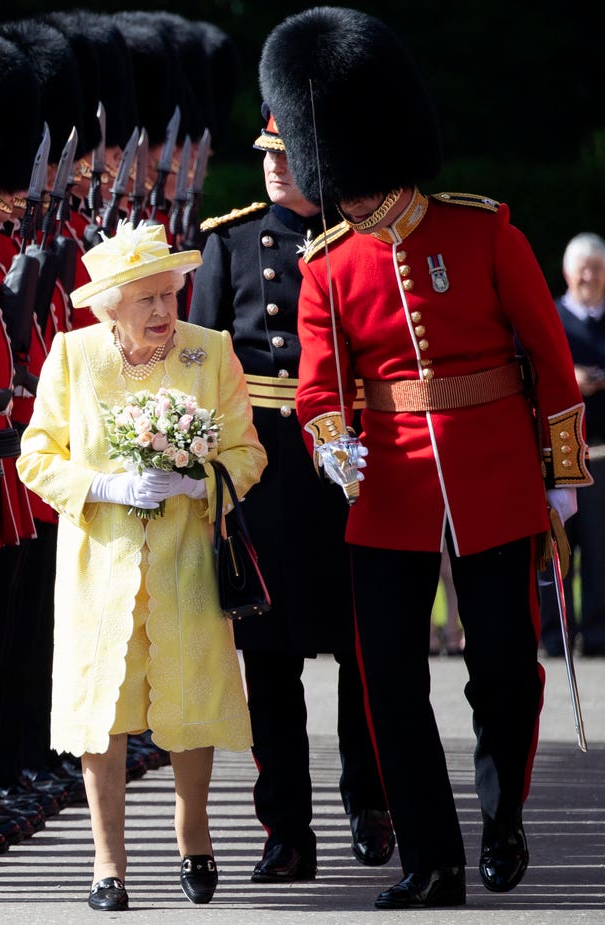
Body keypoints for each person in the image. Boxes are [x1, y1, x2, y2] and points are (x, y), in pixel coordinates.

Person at [259, 6, 592, 910]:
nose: (350, 199)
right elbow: (321, 388)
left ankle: (504, 817)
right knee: (389, 677)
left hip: (491, 477)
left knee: (503, 671)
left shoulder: (485, 233)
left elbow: (551, 364)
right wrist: (332, 446)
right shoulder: (328, 266)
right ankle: (432, 854)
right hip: (392, 488)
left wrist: (562, 477)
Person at [17, 219, 267, 910]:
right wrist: (102, 484)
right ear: (111, 306)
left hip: (186, 558)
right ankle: (108, 861)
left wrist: (201, 481)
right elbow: (35, 456)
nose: (164, 310)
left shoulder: (209, 352)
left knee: (190, 699)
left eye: (170, 294)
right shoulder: (72, 356)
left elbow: (249, 453)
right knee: (106, 711)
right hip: (102, 564)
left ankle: (194, 835)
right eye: (147, 299)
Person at [188, 109, 394, 882]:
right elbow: (201, 365)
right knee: (269, 661)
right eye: (266, 152)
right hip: (264, 467)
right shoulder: (231, 240)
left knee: (362, 649)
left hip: (344, 462)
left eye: (288, 152)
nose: (274, 165)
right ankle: (286, 827)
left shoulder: (365, 238)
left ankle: (370, 801)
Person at [539, 232, 605, 657]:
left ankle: (598, 634)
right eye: (581, 267)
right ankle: (553, 634)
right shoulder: (550, 318)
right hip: (558, 451)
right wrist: (570, 378)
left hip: (602, 454)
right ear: (566, 272)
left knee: (599, 552)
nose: (588, 275)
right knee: (556, 549)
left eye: (596, 268)